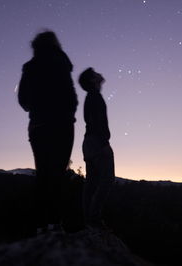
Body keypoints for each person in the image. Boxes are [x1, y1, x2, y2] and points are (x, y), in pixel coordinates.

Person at [18, 31, 78, 232]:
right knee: (58, 174)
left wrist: (36, 107)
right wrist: (67, 112)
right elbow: (71, 97)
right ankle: (55, 223)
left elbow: (23, 101)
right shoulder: (61, 62)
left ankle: (41, 225)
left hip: (39, 126)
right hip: (62, 124)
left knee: (43, 174)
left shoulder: (30, 67)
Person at [78, 67, 115, 229]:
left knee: (92, 182)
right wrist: (104, 143)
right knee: (106, 180)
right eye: (95, 74)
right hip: (96, 142)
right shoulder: (95, 97)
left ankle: (89, 219)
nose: (100, 74)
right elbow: (96, 122)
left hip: (89, 142)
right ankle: (94, 219)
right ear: (93, 80)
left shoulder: (90, 97)